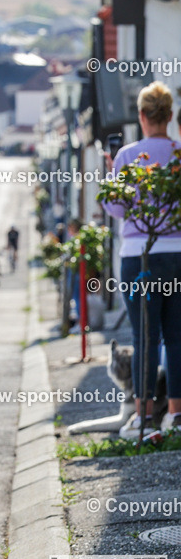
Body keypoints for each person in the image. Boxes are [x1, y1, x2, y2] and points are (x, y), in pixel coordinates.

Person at [102, 81, 181, 437]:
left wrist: (111, 175)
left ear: (142, 115)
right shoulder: (179, 154)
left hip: (139, 255)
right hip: (178, 253)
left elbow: (115, 208)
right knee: (177, 337)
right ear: (170, 115)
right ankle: (176, 416)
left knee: (145, 335)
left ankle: (143, 416)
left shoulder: (127, 156)